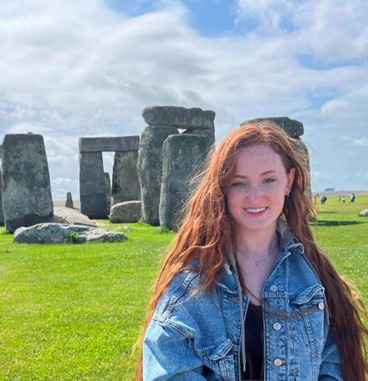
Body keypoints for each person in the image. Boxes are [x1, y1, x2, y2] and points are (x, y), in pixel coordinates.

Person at [135, 122, 368, 381]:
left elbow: (331, 364)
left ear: (288, 182)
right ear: (221, 187)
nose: (255, 197)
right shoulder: (191, 287)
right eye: (239, 183)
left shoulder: (314, 275)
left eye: (269, 180)